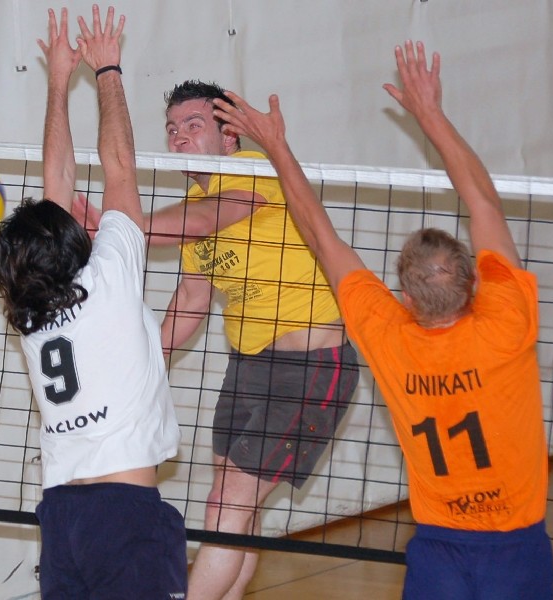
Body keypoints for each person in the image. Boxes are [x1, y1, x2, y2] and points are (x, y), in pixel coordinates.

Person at [212, 40, 553, 600]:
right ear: (474, 282)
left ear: (405, 297)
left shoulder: (388, 336)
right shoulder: (505, 322)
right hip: (516, 549)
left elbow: (319, 234)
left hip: (439, 550)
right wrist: (430, 113)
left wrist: (275, 146)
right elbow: (484, 202)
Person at [71, 80, 361, 598]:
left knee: (225, 506)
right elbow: (192, 297)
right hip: (248, 368)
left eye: (193, 125)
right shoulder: (192, 203)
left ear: (229, 136)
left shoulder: (257, 171)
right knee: (236, 514)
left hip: (311, 365)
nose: (179, 137)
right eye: (172, 129)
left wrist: (117, 228)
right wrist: (146, 363)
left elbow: (209, 217)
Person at [0, 6, 186, 598]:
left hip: (61, 515)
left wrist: (55, 82)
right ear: (70, 242)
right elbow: (118, 166)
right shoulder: (109, 282)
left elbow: (57, 182)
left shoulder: (29, 316)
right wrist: (107, 70)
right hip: (124, 515)